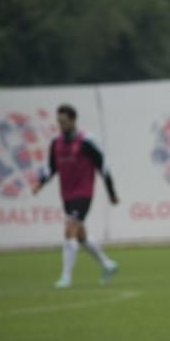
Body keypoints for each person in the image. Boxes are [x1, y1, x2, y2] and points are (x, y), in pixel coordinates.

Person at [32, 104, 120, 288]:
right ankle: (107, 264)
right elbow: (52, 168)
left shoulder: (86, 140)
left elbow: (103, 167)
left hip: (83, 192)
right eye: (59, 121)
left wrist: (111, 192)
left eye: (64, 121)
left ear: (73, 120)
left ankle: (65, 277)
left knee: (69, 229)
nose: (61, 125)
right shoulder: (55, 143)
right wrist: (40, 183)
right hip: (67, 193)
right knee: (80, 236)